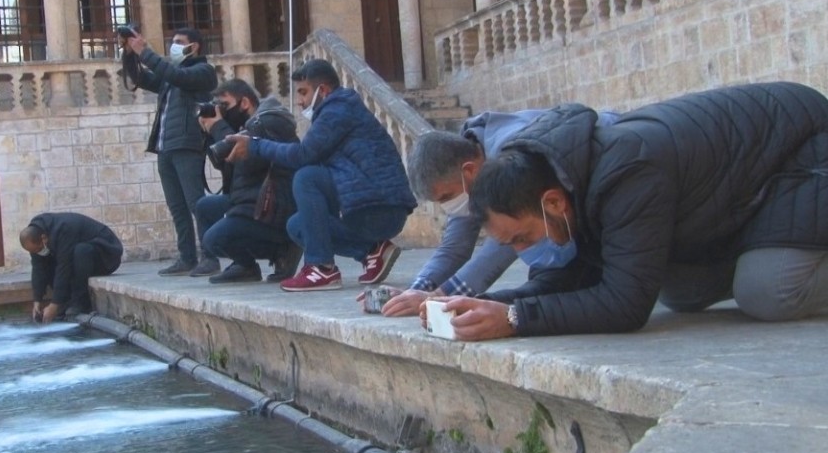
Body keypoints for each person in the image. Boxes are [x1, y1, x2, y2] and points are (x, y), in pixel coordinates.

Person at [422, 81, 828, 340]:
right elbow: (569, 276)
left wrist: (514, 319)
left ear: (552, 204)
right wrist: (487, 304)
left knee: (767, 293)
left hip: (801, 159)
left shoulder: (629, 171)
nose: (523, 251)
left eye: (522, 238)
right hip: (737, 196)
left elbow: (626, 304)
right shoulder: (564, 178)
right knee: (682, 292)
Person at [380, 110, 620, 316]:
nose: (448, 206)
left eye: (446, 197)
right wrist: (417, 290)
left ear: (469, 171)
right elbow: (455, 244)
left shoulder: (513, 151)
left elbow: (507, 238)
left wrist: (442, 295)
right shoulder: (468, 167)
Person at [223, 59, 417, 291]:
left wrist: (256, 145)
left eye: (303, 92)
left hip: (380, 206)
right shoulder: (334, 110)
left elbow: (303, 155)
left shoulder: (338, 110)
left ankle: (321, 268)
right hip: (368, 203)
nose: (300, 101)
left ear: (323, 90)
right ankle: (372, 250)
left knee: (307, 177)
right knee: (298, 225)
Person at [122, 27, 218, 277]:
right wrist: (129, 53)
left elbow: (175, 75)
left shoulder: (203, 72)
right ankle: (186, 257)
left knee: (196, 204)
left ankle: (210, 256)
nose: (174, 46)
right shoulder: (170, 77)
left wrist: (145, 51)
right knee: (177, 206)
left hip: (187, 145)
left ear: (194, 46)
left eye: (179, 42)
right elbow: (140, 78)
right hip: (165, 147)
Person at [195, 79, 303, 283]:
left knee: (213, 239)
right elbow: (231, 167)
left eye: (225, 105)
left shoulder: (268, 121)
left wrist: (220, 128)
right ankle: (245, 266)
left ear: (244, 103)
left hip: (274, 207)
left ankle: (283, 248)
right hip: (250, 201)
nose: (222, 111)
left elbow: (250, 162)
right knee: (205, 207)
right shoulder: (248, 125)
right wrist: (213, 132)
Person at [19, 212, 123, 324]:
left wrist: (54, 305)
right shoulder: (36, 236)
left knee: (80, 251)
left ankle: (81, 303)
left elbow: (64, 267)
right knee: (48, 260)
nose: (37, 253)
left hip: (107, 256)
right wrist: (37, 300)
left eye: (38, 249)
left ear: (43, 238)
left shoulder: (64, 229)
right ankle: (65, 302)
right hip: (80, 258)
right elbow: (38, 267)